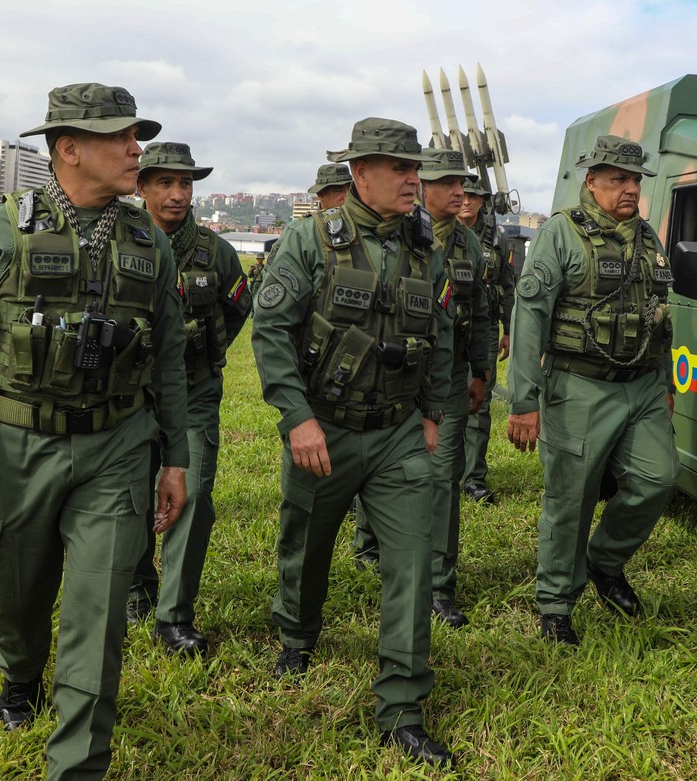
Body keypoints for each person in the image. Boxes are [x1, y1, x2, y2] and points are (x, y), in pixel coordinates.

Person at [0, 83, 188, 780]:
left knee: (98, 616)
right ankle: (19, 671)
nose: (137, 150)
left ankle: (77, 765)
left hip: (116, 446)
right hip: (18, 445)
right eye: (121, 138)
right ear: (69, 149)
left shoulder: (148, 242)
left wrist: (175, 459)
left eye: (137, 135)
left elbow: (171, 360)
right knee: (11, 586)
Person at [251, 118, 456, 767]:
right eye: (399, 169)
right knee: (307, 542)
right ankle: (298, 632)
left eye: (414, 169)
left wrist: (431, 413)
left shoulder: (428, 251)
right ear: (361, 173)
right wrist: (296, 416)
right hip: (326, 427)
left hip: (397, 431)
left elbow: (443, 337)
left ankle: (402, 704)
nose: (411, 180)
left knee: (412, 559)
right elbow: (271, 328)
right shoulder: (311, 239)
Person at [506, 135, 679, 646]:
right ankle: (556, 603)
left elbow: (660, 316)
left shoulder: (647, 237)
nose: (630, 189)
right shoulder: (562, 234)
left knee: (659, 478)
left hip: (643, 387)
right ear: (592, 180)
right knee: (570, 498)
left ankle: (604, 562)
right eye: (618, 179)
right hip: (578, 386)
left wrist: (665, 381)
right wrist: (522, 401)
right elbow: (529, 317)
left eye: (635, 180)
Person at [353, 148, 491, 628]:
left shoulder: (470, 246)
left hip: (446, 382)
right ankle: (368, 541)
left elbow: (479, 315)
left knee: (439, 483)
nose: (461, 192)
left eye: (464, 184)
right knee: (381, 467)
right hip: (393, 380)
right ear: (423, 187)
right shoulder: (397, 236)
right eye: (450, 183)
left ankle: (438, 587)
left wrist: (481, 372)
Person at [128, 142, 252, 654]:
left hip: (196, 393)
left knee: (193, 495)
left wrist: (203, 348)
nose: (177, 194)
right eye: (165, 183)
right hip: (132, 399)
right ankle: (137, 586)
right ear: (142, 188)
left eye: (186, 184)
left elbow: (237, 309)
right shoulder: (123, 240)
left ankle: (174, 615)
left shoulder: (216, 251)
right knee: (133, 498)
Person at [461, 178, 515, 504]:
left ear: (483, 201)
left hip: (484, 330)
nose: (467, 201)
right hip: (441, 329)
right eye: (463, 194)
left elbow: (508, 287)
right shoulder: (430, 231)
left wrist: (508, 329)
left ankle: (474, 479)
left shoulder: (497, 239)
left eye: (474, 196)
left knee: (478, 406)